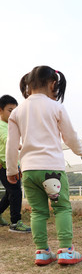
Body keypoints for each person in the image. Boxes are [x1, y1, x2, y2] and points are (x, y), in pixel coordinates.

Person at [6, 66, 82, 266]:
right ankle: (66, 251)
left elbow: (11, 144)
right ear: (53, 84)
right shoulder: (56, 107)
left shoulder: (17, 112)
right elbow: (69, 135)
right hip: (52, 170)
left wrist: (11, 170)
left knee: (38, 211)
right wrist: (80, 151)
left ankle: (43, 252)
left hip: (28, 171)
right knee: (61, 207)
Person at [0, 95, 31, 232]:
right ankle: (15, 222)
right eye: (10, 110)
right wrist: (20, 146)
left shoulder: (11, 125)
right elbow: (8, 140)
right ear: (0, 111)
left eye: (15, 110)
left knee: (10, 193)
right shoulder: (2, 126)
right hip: (4, 165)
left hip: (12, 164)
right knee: (15, 192)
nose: (13, 113)